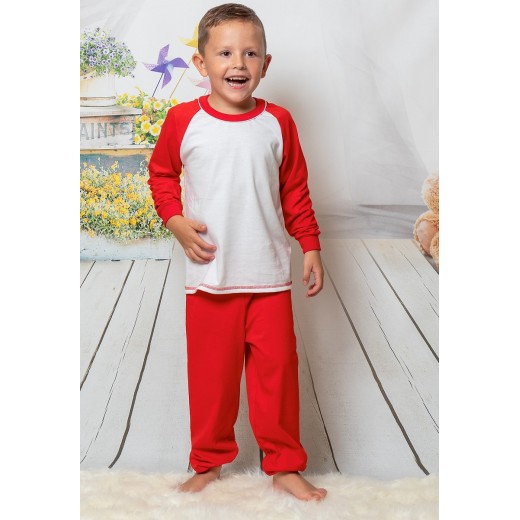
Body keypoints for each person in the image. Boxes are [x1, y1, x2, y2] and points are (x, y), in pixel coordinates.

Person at [148, 3, 327, 501]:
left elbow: (295, 190)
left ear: (265, 64)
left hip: (269, 278)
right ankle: (207, 463)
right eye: (225, 53)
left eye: (250, 53)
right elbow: (161, 176)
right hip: (209, 277)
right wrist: (175, 220)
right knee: (212, 381)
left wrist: (310, 244)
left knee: (278, 376)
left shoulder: (278, 122)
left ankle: (284, 465)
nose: (238, 63)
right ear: (201, 63)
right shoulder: (183, 121)